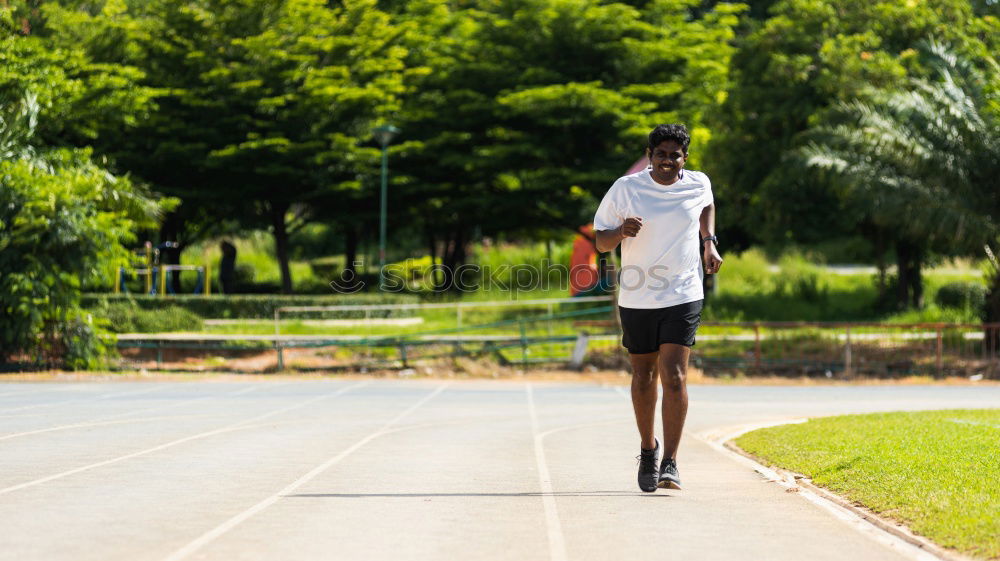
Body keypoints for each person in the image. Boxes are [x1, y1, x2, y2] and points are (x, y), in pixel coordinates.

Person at [594, 124, 722, 492]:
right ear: (650, 156)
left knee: (675, 374)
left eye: (675, 155)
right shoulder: (626, 188)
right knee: (644, 376)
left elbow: (707, 204)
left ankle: (671, 463)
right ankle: (649, 448)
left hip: (683, 292)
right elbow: (601, 242)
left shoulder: (698, 183)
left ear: (685, 158)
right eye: (661, 154)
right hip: (637, 296)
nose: (668, 161)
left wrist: (709, 242)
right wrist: (620, 231)